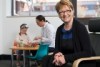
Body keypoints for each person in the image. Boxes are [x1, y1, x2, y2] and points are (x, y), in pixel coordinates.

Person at [42, 0, 95, 67]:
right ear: (58, 14)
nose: (65, 14)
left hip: (82, 61)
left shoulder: (80, 28)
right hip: (67, 60)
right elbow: (57, 49)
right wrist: (57, 55)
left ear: (72, 11)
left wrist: (65, 58)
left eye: (68, 10)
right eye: (61, 12)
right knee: (46, 59)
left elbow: (87, 52)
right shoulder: (59, 29)